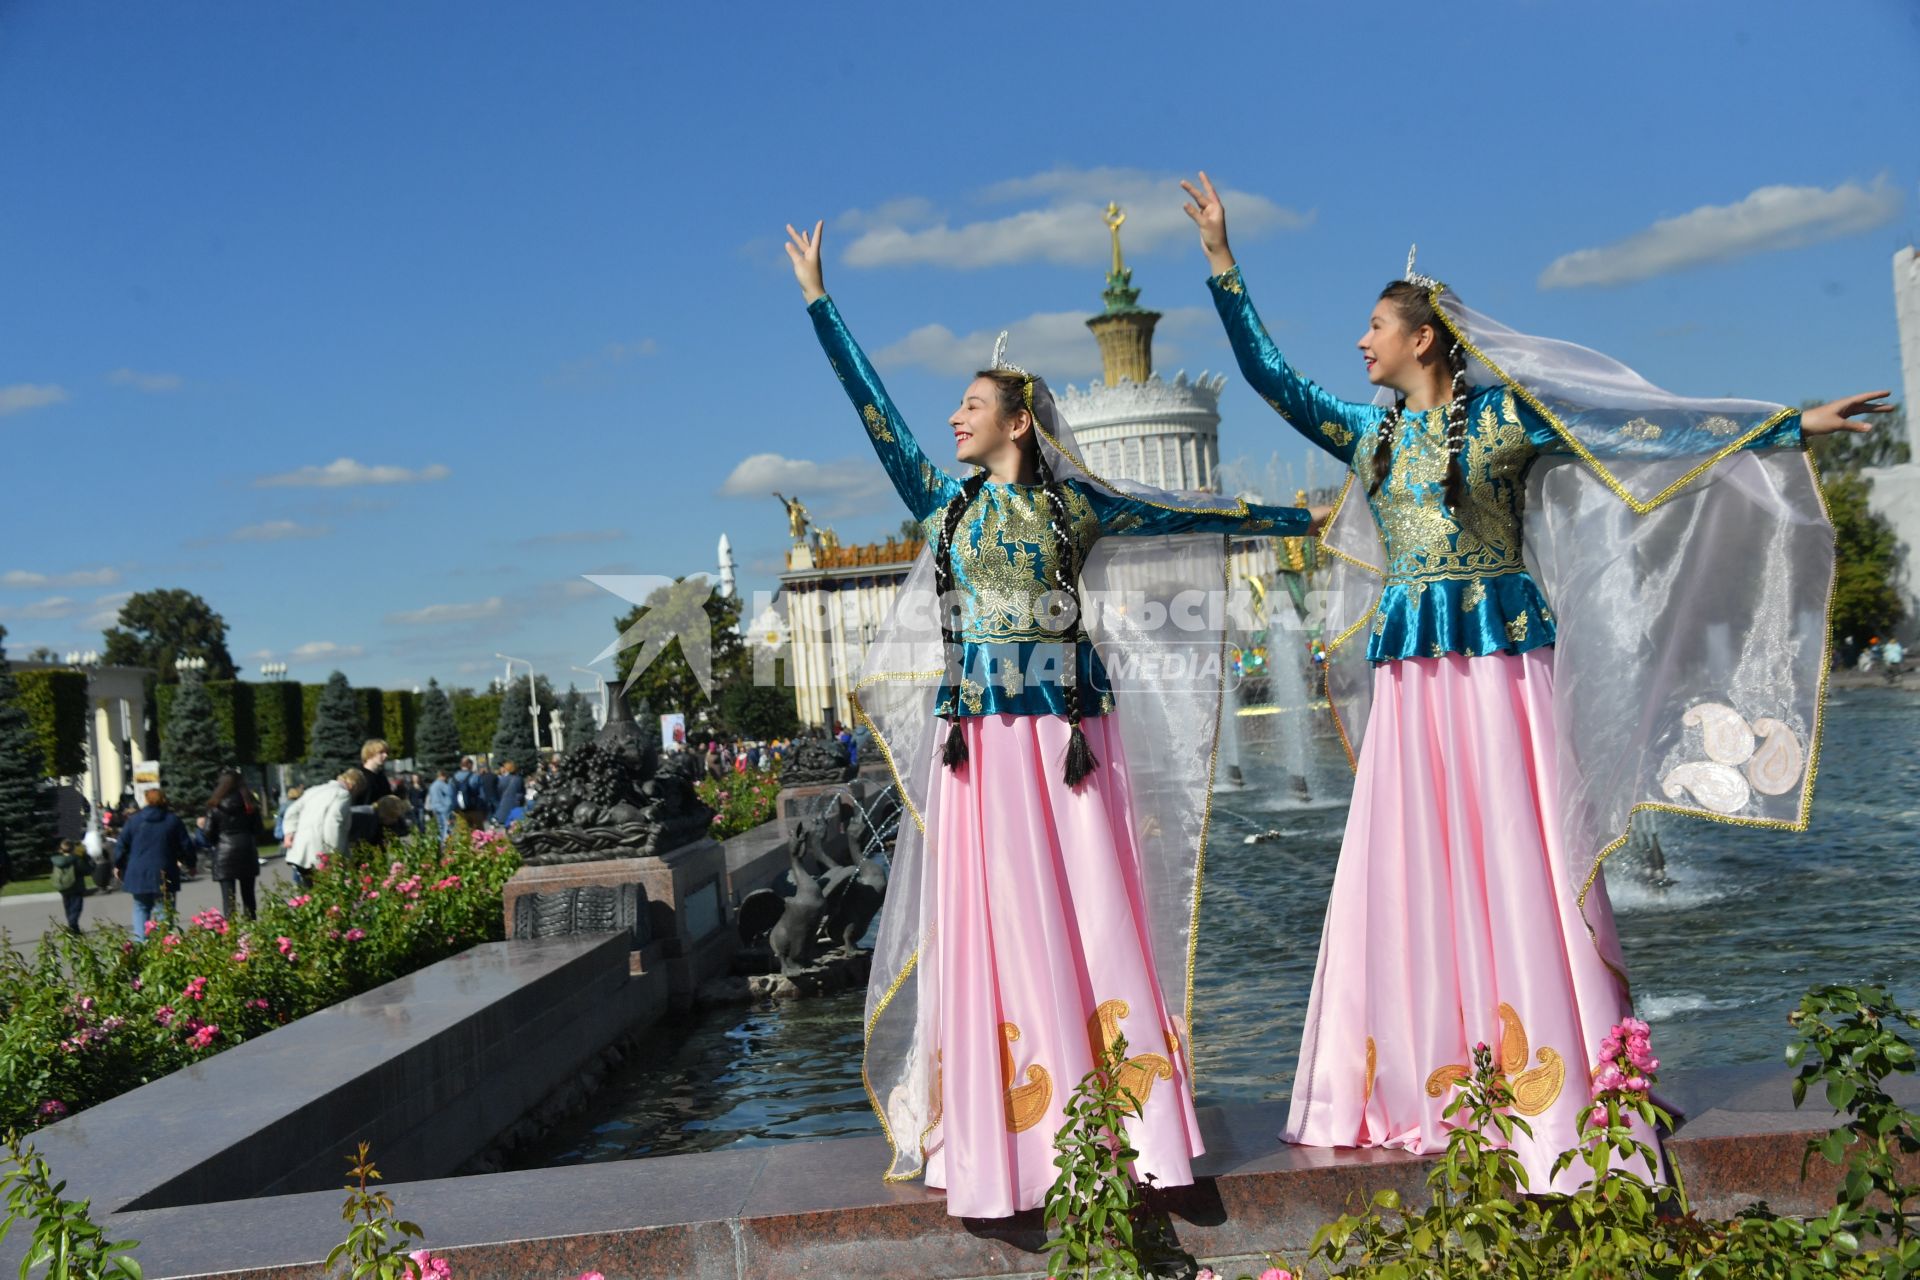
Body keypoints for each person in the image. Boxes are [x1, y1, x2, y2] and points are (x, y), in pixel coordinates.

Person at [1182, 171, 1887, 1190]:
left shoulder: (1510, 422)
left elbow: (1639, 431)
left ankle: (1555, 1081)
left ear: (1425, 337)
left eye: (1375, 325)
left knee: (1526, 857)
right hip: (1417, 683)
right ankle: (1428, 1079)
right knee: (1410, 863)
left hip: (1505, 673)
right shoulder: (1371, 434)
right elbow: (1271, 380)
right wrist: (1222, 264)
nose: (1361, 341)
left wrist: (1790, 425)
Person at [785, 219, 1308, 1217]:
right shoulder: (948, 505)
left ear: (1018, 421)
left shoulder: (1080, 509)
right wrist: (821, 300)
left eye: (972, 404)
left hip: (1070, 740)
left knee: (1094, 916)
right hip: (982, 746)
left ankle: (1131, 1128)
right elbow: (875, 412)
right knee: (997, 931)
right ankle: (1008, 1137)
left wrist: (1307, 518)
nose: (953, 417)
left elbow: (1196, 514)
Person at [115, 789, 188, 939]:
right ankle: (164, 946)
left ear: (146, 801)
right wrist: (190, 863)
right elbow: (185, 845)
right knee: (164, 910)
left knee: (141, 908)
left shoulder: (134, 821)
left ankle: (141, 945)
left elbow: (122, 845)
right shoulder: (172, 820)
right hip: (165, 871)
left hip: (138, 873)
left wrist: (118, 865)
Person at [287, 767, 361, 887]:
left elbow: (292, 811)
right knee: (326, 893)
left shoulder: (314, 790)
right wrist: (334, 854)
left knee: (308, 892)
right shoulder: (343, 794)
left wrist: (289, 833)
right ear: (354, 786)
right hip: (320, 852)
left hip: (300, 850)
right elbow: (333, 824)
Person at [206, 769, 264, 920]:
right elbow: (259, 829)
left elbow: (208, 832)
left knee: (228, 899)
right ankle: (251, 933)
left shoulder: (216, 806)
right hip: (247, 850)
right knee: (249, 897)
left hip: (224, 852)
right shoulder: (250, 805)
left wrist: (216, 842)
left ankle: (231, 934)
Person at [50, 839, 87, 934]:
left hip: (63, 886)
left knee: (68, 907)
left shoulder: (57, 859)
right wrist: (85, 857)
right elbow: (86, 870)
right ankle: (72, 925)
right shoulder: (76, 859)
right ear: (73, 849)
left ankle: (75, 929)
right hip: (76, 886)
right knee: (76, 908)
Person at [492, 760, 526, 827]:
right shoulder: (519, 779)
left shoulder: (502, 779)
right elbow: (523, 791)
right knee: (516, 825)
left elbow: (499, 792)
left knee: (506, 825)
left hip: (505, 805)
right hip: (516, 804)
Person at [359, 739, 392, 804]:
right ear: (370, 753)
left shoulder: (381, 777)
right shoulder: (360, 776)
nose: (386, 756)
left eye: (386, 753)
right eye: (381, 752)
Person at [426, 769, 455, 835]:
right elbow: (450, 792)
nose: (446, 779)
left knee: (441, 826)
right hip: (443, 808)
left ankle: (442, 842)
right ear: (442, 776)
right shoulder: (442, 784)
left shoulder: (432, 785)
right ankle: (446, 843)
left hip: (435, 808)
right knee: (447, 826)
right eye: (445, 777)